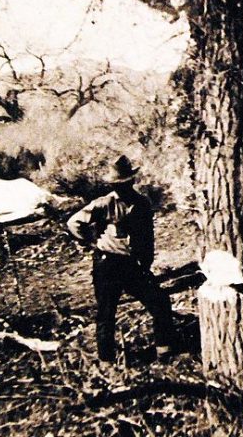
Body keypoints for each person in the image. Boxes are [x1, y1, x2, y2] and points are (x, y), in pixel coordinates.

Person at [67, 155, 175, 365]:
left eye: (124, 183)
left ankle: (165, 351)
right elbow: (74, 223)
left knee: (160, 301)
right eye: (116, 185)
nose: (120, 188)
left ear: (132, 181)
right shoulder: (104, 204)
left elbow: (147, 237)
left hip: (132, 266)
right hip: (108, 265)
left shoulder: (142, 204)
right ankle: (106, 361)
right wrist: (92, 242)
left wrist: (146, 262)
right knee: (106, 313)